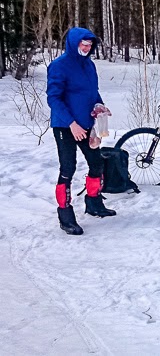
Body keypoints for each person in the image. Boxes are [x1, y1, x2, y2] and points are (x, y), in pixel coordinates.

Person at [46, 27, 116, 235]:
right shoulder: (59, 66)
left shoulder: (89, 65)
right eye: (82, 44)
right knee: (68, 167)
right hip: (65, 125)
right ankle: (65, 215)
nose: (86, 48)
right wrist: (71, 124)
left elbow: (92, 93)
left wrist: (99, 105)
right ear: (73, 43)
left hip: (87, 124)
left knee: (96, 163)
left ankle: (93, 202)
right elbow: (53, 99)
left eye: (89, 45)